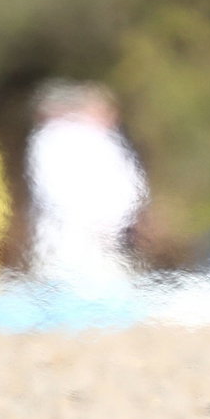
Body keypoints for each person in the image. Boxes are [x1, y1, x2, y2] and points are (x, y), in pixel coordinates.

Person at [26, 81, 148, 293]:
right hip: (69, 239)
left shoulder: (107, 140)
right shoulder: (55, 139)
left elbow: (129, 187)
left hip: (109, 239)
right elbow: (54, 191)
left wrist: (117, 222)